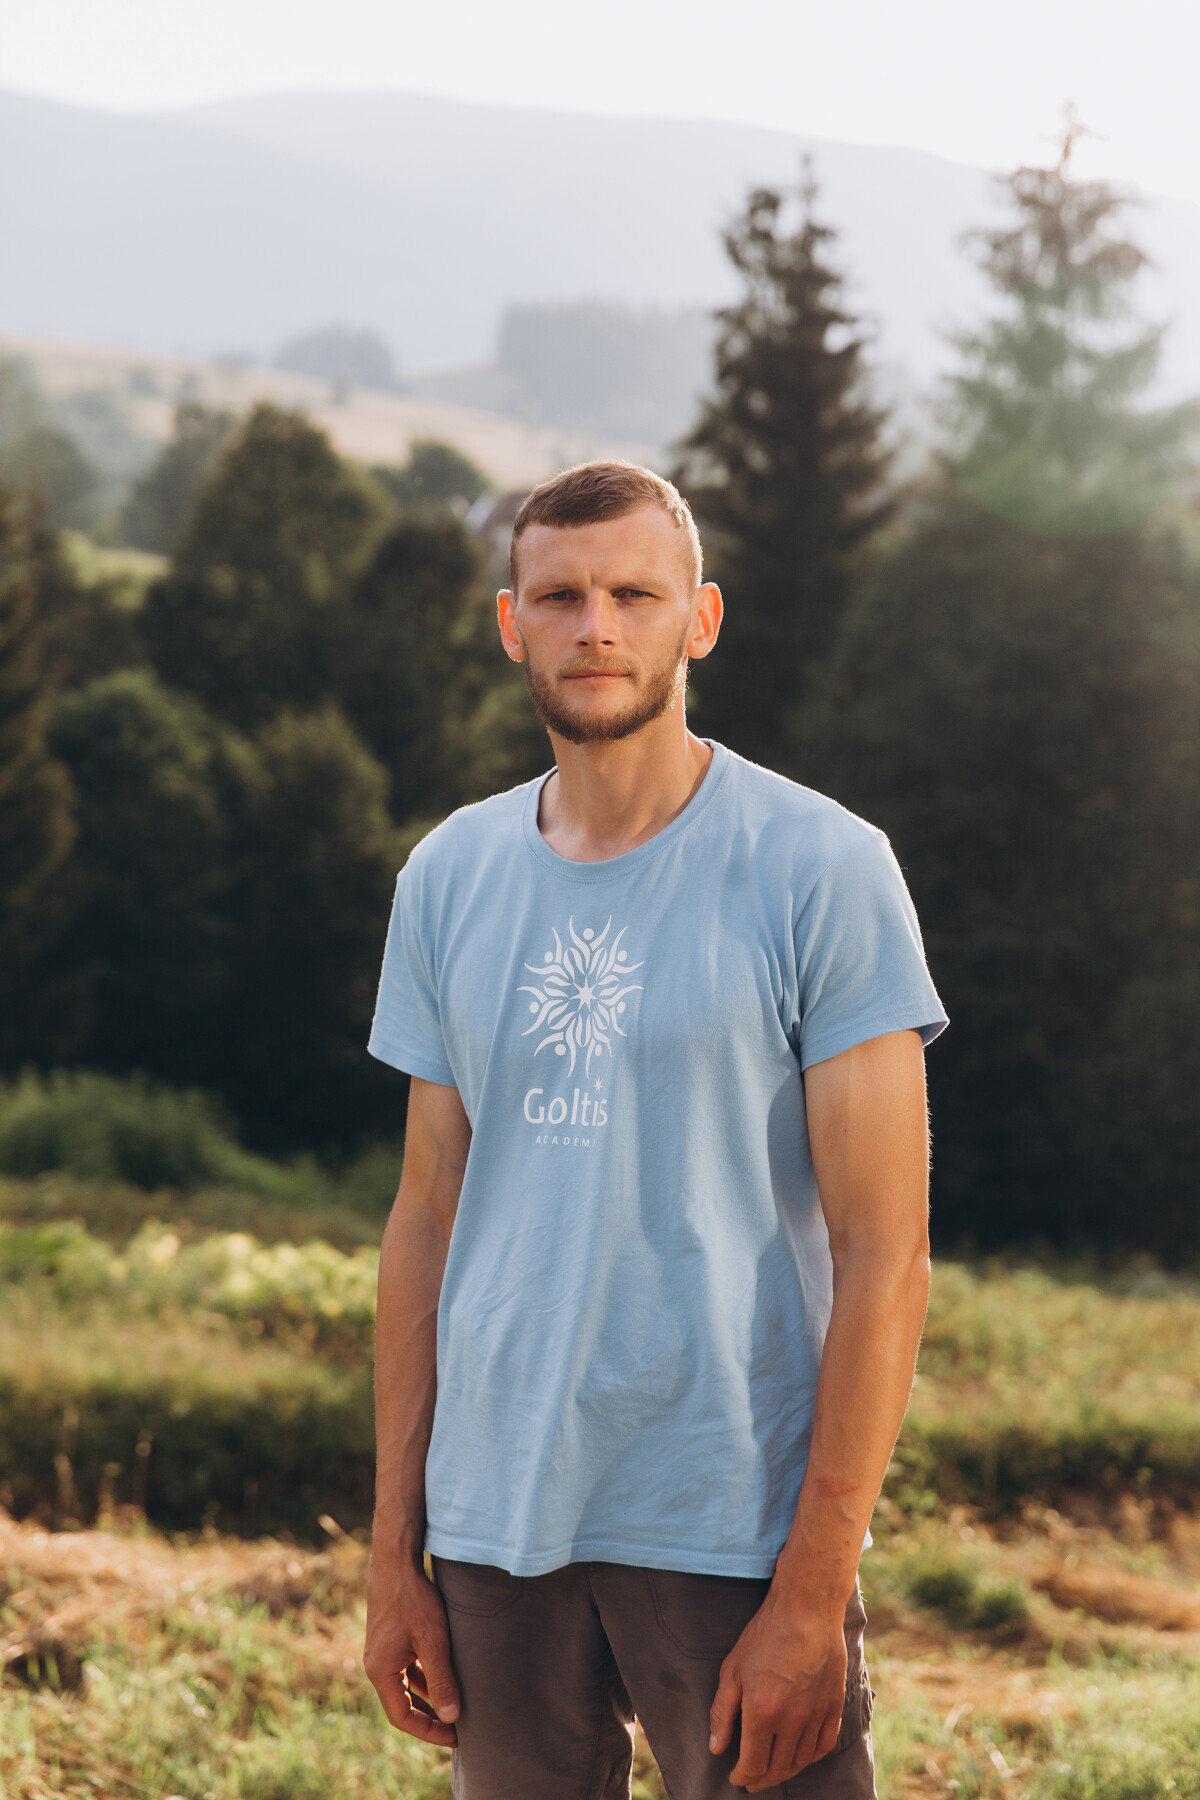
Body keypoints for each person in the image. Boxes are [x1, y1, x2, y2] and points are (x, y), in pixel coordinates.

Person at [363, 461, 947, 1800]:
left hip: (731, 1521)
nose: (596, 628)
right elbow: (426, 1221)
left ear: (702, 618)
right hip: (495, 1520)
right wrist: (395, 1552)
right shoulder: (448, 875)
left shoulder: (822, 868)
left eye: (635, 594)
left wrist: (817, 1583)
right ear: (511, 623)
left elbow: (887, 1253)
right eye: (559, 597)